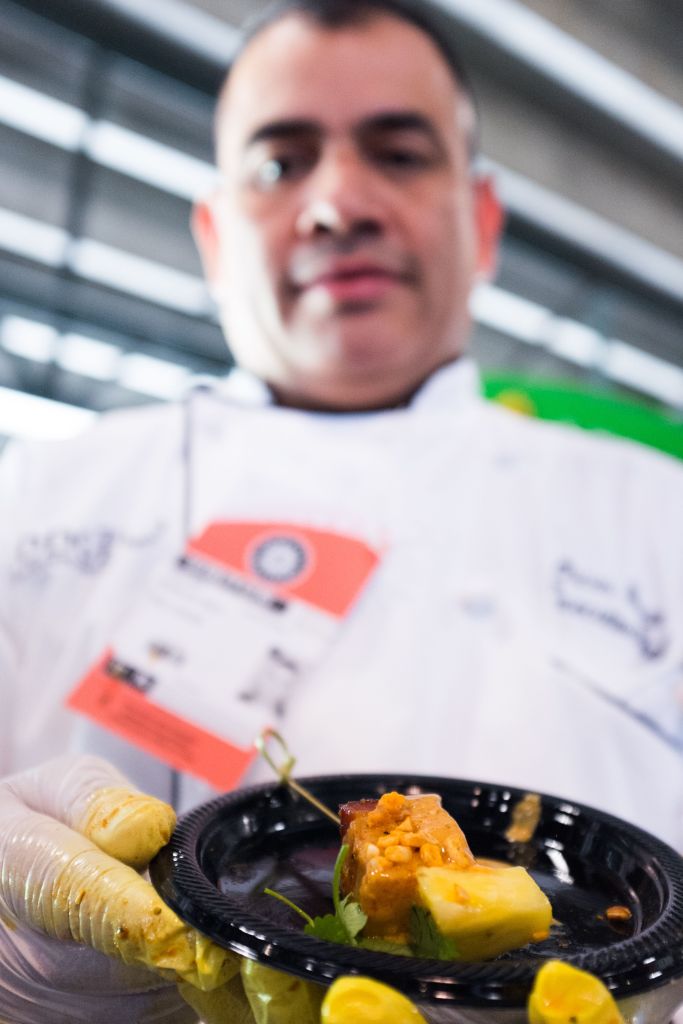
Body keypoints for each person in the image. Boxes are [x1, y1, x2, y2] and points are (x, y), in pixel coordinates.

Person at [0, 0, 682, 1021]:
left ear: (482, 220)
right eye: (280, 163)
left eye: (398, 154)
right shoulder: (36, 495)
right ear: (214, 236)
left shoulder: (650, 509)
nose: (338, 203)